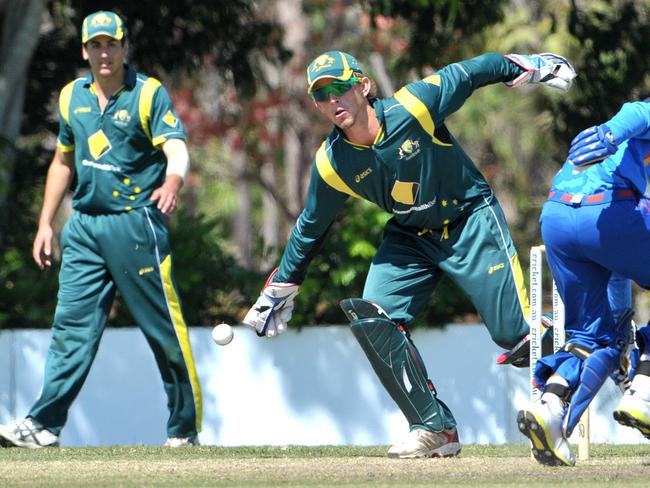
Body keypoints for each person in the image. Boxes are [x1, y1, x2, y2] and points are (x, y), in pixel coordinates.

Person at [243, 50, 576, 458]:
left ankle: (588, 345)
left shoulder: (413, 106)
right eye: (322, 95)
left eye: (340, 88)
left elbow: (467, 73)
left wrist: (529, 66)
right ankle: (434, 427)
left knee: (515, 337)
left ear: (363, 86)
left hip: (468, 218)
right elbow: (311, 226)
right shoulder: (333, 163)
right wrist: (281, 285)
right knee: (372, 315)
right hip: (411, 237)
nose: (333, 101)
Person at [0, 11, 202, 448]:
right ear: (85, 51)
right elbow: (62, 160)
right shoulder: (72, 96)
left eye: (112, 44)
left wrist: (172, 180)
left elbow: (177, 148)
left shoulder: (147, 94)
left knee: (163, 330)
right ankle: (43, 425)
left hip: (136, 224)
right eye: (96, 45)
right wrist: (45, 224)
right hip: (85, 227)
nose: (104, 52)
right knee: (70, 329)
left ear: (125, 47)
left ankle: (184, 430)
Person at [517, 100, 650, 466]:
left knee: (594, 338)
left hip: (557, 217)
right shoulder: (627, 129)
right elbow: (638, 111)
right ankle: (645, 389)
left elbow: (618, 264)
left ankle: (550, 410)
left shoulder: (621, 154)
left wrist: (622, 319)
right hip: (605, 213)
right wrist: (612, 133)